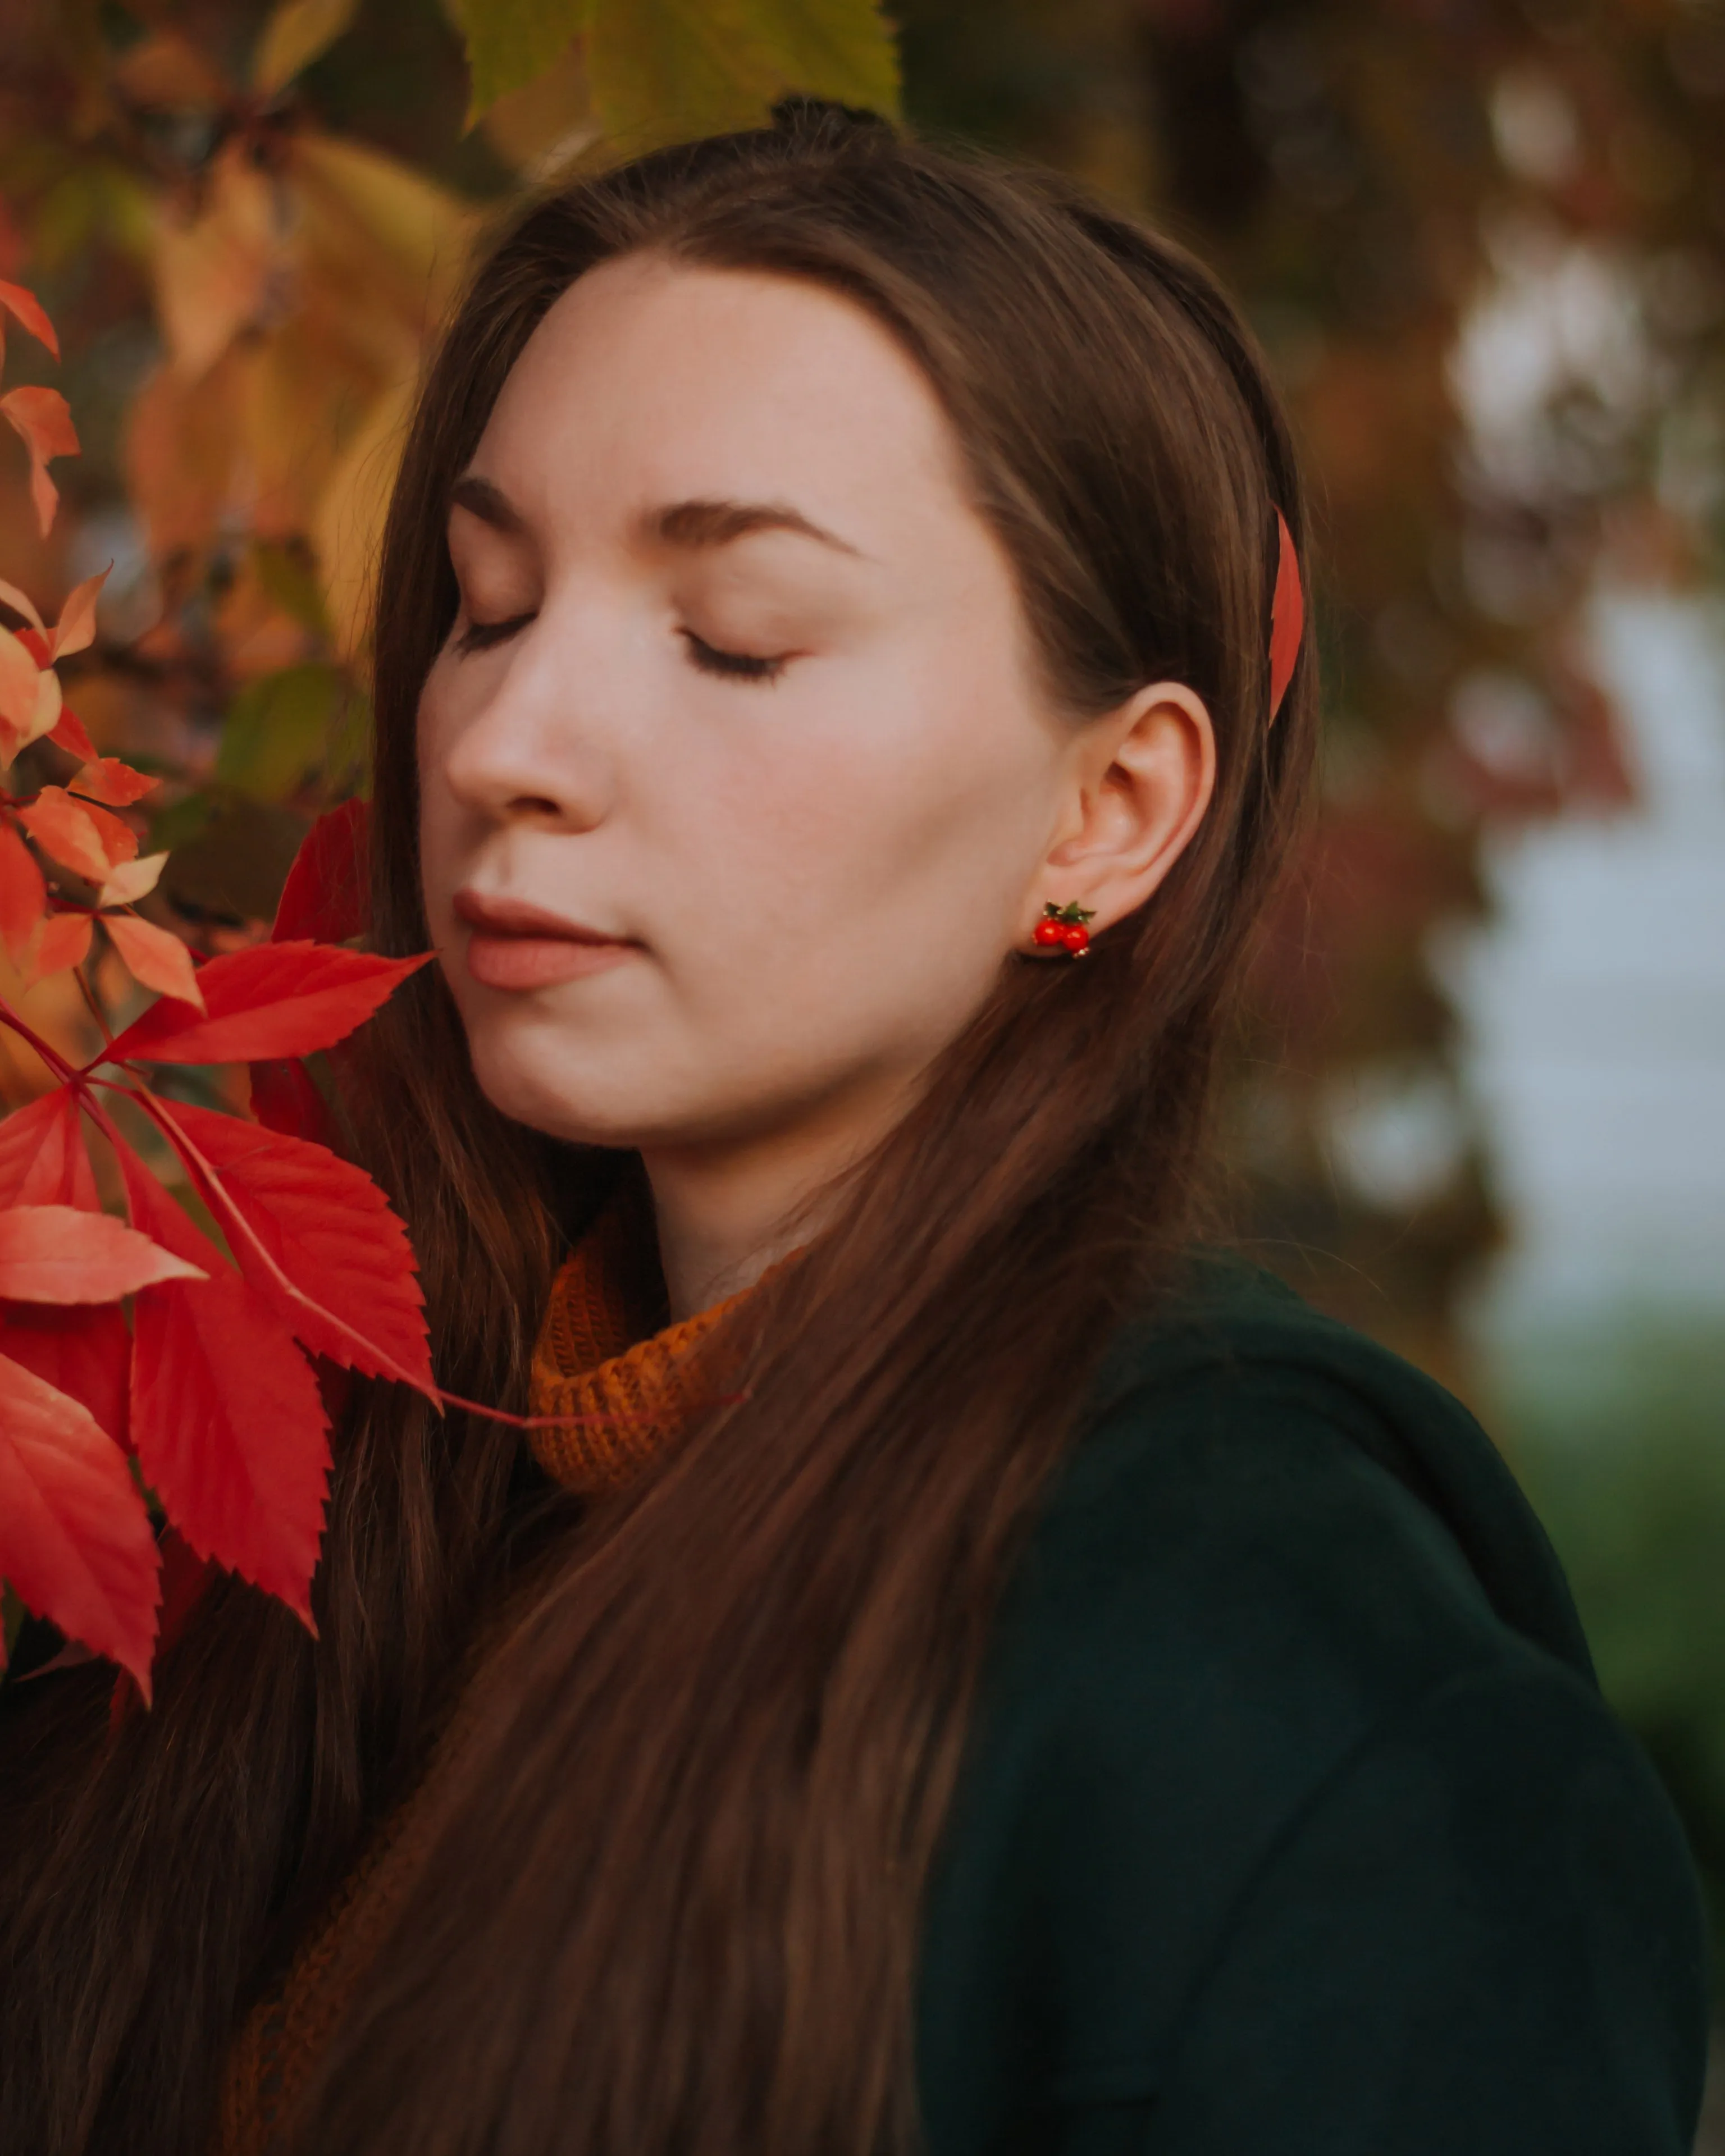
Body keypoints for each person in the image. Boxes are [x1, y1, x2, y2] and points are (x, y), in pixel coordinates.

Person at [0, 99, 1706, 2156]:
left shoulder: (1265, 1658)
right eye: (485, 602)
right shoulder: (357, 1503)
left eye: (735, 639)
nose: (508, 745)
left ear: (1114, 810)